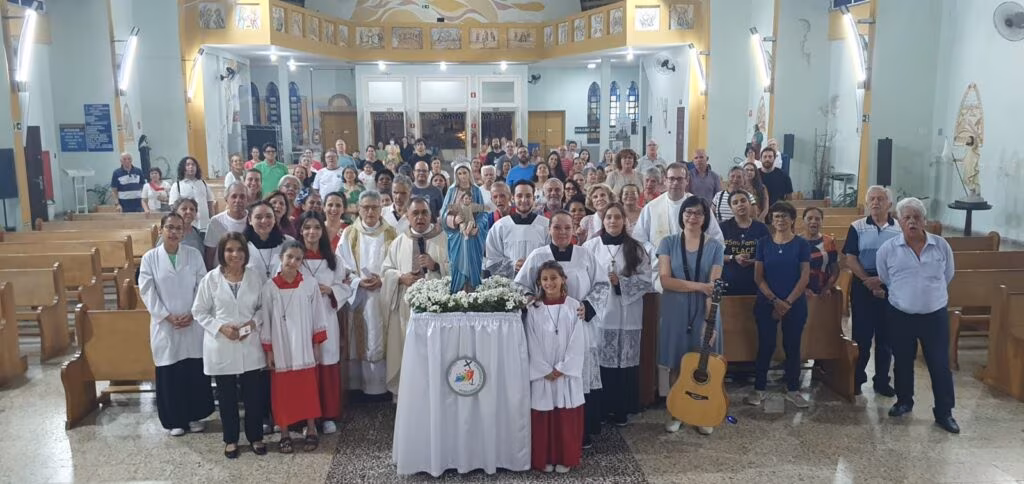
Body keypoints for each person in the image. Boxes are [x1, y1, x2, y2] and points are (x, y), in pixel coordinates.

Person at [516, 211, 609, 449]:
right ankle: (549, 430)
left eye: (567, 228)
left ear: (574, 229)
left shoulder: (585, 255)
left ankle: (581, 430)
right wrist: (531, 300)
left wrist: (588, 306)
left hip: (579, 326)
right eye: (557, 228)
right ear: (549, 230)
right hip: (546, 330)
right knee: (549, 376)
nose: (562, 233)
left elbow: (602, 284)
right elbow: (519, 286)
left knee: (577, 374)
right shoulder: (538, 256)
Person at [876, 197, 959, 434]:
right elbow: (885, 277)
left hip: (934, 316)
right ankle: (904, 401)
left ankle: (944, 412)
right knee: (902, 361)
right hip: (901, 314)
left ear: (925, 221)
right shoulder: (888, 249)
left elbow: (948, 275)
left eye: (916, 217)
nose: (912, 221)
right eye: (907, 218)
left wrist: (928, 297)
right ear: (899, 221)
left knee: (939, 364)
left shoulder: (941, 245)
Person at [192, 232, 269, 458]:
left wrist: (252, 324)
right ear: (222, 253)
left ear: (245, 253)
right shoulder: (211, 279)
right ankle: (231, 439)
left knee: (253, 396)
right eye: (229, 250)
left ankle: (255, 437)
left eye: (239, 250)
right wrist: (220, 327)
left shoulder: (255, 277)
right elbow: (199, 311)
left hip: (249, 342)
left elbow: (264, 307)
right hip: (221, 343)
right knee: (226, 397)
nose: (235, 254)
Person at [139, 212, 214, 437]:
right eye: (169, 227)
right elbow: (146, 290)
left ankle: (195, 415)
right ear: (161, 230)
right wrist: (166, 315)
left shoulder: (193, 255)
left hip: (192, 321)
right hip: (165, 324)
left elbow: (203, 284)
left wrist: (193, 312)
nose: (173, 232)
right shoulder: (150, 258)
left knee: (193, 370)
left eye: (178, 228)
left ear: (184, 231)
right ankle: (175, 420)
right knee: (170, 371)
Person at [656, 196, 724, 435]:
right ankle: (676, 412)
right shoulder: (668, 243)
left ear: (705, 218)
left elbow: (713, 287)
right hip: (675, 309)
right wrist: (699, 286)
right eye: (688, 212)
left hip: (705, 310)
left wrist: (710, 323)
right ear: (682, 215)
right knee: (677, 363)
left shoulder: (715, 246)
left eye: (698, 213)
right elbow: (666, 281)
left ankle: (702, 413)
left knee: (703, 363)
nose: (692, 217)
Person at [582, 204, 653, 427]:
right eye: (608, 217)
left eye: (617, 217)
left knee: (624, 365)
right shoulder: (590, 247)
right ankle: (602, 410)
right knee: (602, 363)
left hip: (627, 314)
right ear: (603, 221)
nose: (612, 221)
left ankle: (621, 410)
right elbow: (582, 278)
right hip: (600, 316)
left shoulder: (636, 248)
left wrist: (621, 282)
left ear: (625, 221)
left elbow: (647, 280)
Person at [259, 240, 329, 453]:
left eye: (298, 258)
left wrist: (316, 344)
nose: (293, 262)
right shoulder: (269, 287)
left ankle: (311, 429)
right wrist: (269, 350)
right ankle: (285, 432)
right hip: (281, 346)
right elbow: (266, 319)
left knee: (307, 388)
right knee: (282, 391)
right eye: (289, 257)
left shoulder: (309, 284)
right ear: (281, 258)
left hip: (303, 345)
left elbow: (318, 313)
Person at [746, 201, 812, 409]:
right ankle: (759, 388)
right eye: (776, 216)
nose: (780, 220)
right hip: (767, 302)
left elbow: (805, 276)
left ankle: (793, 389)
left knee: (792, 346)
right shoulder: (763, 243)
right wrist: (774, 300)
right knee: (766, 345)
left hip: (795, 303)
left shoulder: (801, 244)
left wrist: (788, 302)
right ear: (771, 220)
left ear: (792, 220)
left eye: (784, 216)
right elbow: (758, 277)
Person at [381, 197, 449, 393]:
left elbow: (459, 271)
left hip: (438, 309)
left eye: (424, 213)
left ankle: (437, 391)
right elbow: (385, 271)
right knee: (406, 350)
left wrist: (435, 265)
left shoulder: (444, 238)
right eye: (415, 213)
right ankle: (407, 394)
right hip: (405, 309)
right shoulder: (399, 242)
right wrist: (401, 278)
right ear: (408, 217)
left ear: (431, 215)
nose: (420, 217)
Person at [526, 261, 586, 474]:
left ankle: (565, 457)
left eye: (554, 278)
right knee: (544, 416)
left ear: (563, 280)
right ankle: (545, 458)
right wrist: (544, 370)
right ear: (539, 283)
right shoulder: (533, 309)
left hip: (565, 373)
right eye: (545, 279)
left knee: (565, 416)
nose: (549, 283)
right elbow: (530, 341)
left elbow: (578, 340)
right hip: (543, 374)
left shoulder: (574, 306)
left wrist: (562, 368)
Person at [336, 191, 397, 398]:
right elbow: (340, 265)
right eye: (365, 207)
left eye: (374, 207)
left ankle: (382, 387)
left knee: (382, 335)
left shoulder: (392, 233)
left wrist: (383, 279)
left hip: (383, 294)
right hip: (359, 295)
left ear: (381, 208)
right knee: (360, 337)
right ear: (358, 209)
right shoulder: (349, 234)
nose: (370, 211)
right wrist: (357, 281)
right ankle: (360, 387)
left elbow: (399, 264)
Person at [296, 212, 351, 435]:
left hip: (327, 318)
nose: (312, 232)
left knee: (327, 365)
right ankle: (306, 417)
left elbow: (345, 286)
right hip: (301, 319)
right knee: (306, 367)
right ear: (300, 230)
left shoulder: (334, 259)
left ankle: (328, 415)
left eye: (316, 227)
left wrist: (331, 290)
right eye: (307, 227)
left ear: (322, 231)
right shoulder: (295, 257)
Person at [843, 186, 901, 396]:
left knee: (886, 338)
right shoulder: (857, 226)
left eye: (881, 199)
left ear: (890, 204)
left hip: (891, 285)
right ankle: (857, 378)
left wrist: (882, 281)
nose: (876, 202)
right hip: (863, 283)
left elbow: (903, 259)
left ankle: (882, 381)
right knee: (863, 336)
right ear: (867, 204)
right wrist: (869, 280)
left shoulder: (900, 228)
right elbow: (850, 257)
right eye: (872, 199)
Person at [634, 163, 724, 249]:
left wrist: (699, 254)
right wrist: (655, 254)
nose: (675, 183)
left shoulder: (700, 205)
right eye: (671, 179)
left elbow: (717, 240)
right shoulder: (651, 208)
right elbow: (639, 239)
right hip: (658, 262)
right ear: (665, 180)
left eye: (680, 179)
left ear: (687, 181)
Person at [484, 181, 550, 279]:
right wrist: (513, 266)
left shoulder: (546, 225)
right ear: (513, 198)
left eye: (528, 196)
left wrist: (533, 265)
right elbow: (492, 261)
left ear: (534, 198)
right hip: (509, 286)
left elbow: (551, 256)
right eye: (519, 196)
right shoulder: (500, 226)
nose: (523, 200)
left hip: (539, 283)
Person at [441, 164, 490, 292]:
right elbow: (444, 213)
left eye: (465, 172)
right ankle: (459, 289)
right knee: (457, 264)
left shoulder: (476, 190)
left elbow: (483, 213)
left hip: (473, 235)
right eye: (460, 173)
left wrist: (477, 227)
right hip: (457, 235)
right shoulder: (452, 191)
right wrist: (453, 220)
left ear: (470, 173)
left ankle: (473, 290)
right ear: (456, 175)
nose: (463, 176)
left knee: (473, 264)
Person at [720, 191, 770, 296]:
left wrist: (752, 261)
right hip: (728, 286)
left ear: (749, 204)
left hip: (756, 286)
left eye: (743, 201)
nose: (740, 204)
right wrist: (734, 257)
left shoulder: (761, 228)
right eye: (735, 202)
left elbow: (769, 256)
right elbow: (715, 256)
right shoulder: (723, 228)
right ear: (731, 208)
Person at [244, 200, 290, 284]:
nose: (264, 221)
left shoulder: (288, 243)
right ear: (250, 220)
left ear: (274, 219)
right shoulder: (242, 246)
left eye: (269, 216)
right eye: (258, 217)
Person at [204, 184, 249, 264]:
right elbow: (210, 253)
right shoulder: (216, 222)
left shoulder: (253, 219)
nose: (238, 200)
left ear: (247, 199)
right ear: (226, 199)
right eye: (234, 196)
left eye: (242, 197)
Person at [169, 156, 216, 232]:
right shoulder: (177, 185)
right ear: (183, 168)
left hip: (205, 225)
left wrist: (213, 220)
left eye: (193, 165)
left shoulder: (203, 183)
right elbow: (173, 207)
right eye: (188, 165)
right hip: (187, 227)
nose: (191, 167)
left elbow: (210, 203)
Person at [802, 207, 839, 295]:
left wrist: (827, 288)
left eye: (817, 219)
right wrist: (803, 290)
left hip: (823, 292)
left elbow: (835, 271)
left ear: (822, 222)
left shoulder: (829, 242)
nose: (813, 221)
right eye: (809, 218)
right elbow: (792, 271)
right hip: (799, 293)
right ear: (803, 221)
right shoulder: (796, 242)